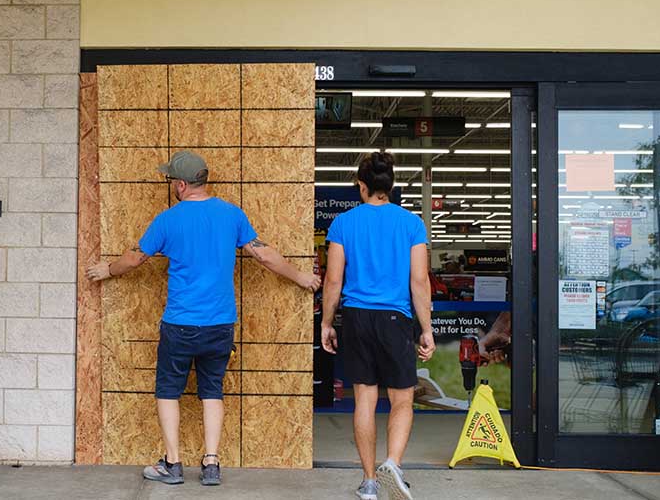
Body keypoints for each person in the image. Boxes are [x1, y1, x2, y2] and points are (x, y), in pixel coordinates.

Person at [86, 150, 321, 487]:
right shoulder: (232, 215)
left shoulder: (168, 220)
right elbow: (265, 255)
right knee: (212, 390)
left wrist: (106, 270)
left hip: (180, 324)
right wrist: (301, 277)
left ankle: (173, 463)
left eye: (171, 181)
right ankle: (211, 463)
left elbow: (135, 258)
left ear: (181, 184)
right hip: (220, 323)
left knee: (168, 390)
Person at [320, 152, 435, 500]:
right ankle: (393, 464)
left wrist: (327, 323)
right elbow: (419, 281)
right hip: (395, 319)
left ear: (361, 185)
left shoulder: (343, 223)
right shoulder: (412, 223)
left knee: (365, 401)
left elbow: (332, 281)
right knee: (402, 400)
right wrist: (426, 329)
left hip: (356, 319)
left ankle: (370, 482)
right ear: (391, 185)